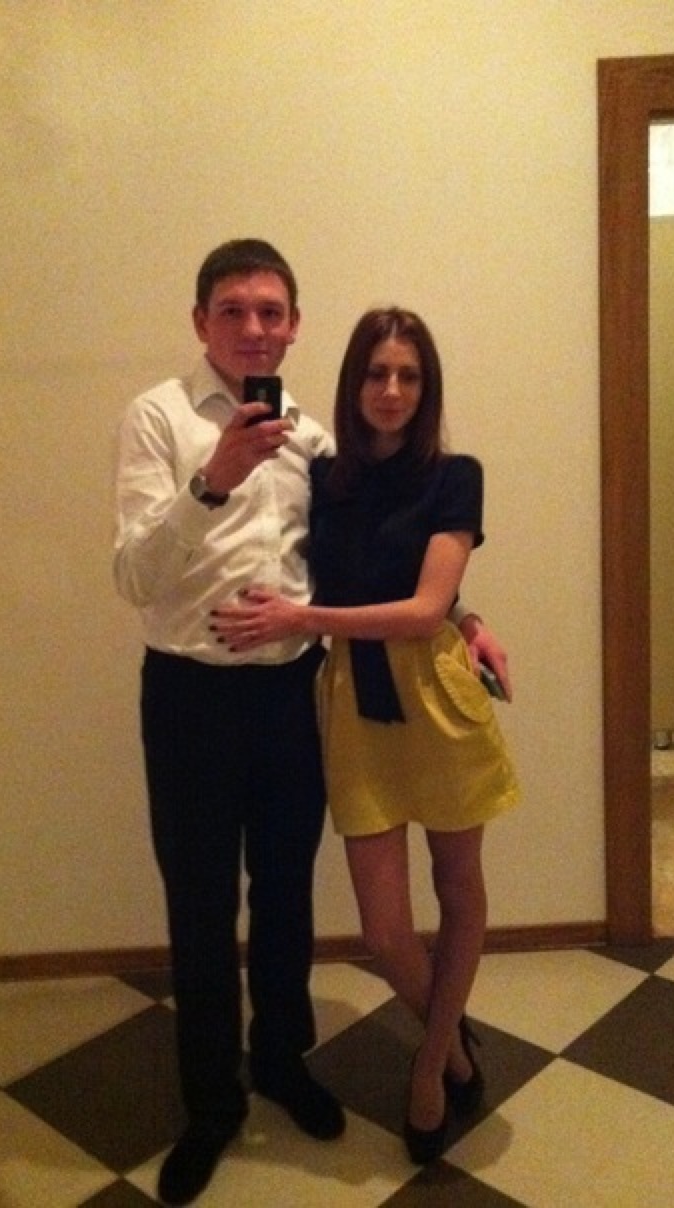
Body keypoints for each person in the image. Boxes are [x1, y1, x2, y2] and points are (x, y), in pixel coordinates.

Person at [113, 241, 511, 1203]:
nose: (253, 327)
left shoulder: (317, 442)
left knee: (287, 893)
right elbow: (133, 577)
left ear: (294, 325)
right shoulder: (158, 418)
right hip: (190, 696)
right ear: (202, 320)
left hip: (294, 693)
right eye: (233, 309)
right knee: (200, 903)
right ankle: (212, 1105)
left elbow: (380, 556)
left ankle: (283, 1062)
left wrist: (463, 617)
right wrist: (211, 479)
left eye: (271, 311)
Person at [212, 306, 520, 1166]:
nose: (391, 390)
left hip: (437, 696)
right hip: (353, 702)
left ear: (427, 388)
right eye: (377, 373)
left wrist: (312, 618)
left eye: (409, 375)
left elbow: (424, 607)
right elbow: (340, 571)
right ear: (353, 384)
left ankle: (430, 1066)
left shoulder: (455, 475)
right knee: (385, 930)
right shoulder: (325, 476)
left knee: (458, 888)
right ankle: (455, 1048)